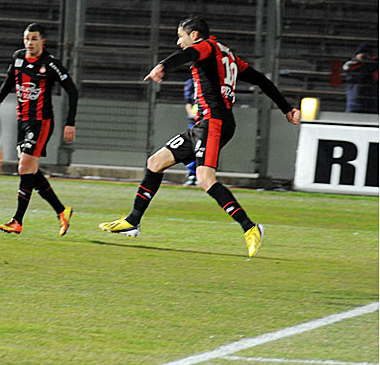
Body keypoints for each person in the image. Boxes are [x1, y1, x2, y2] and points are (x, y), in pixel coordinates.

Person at [99, 17, 300, 257]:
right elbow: (261, 80)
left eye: (181, 36)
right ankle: (132, 221)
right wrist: (286, 108)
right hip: (204, 125)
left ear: (194, 35)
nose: (178, 41)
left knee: (205, 179)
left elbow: (187, 55)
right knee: (156, 162)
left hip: (213, 123)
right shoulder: (228, 55)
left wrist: (162, 66)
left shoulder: (206, 46)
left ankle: (251, 227)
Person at [0, 23, 79, 236]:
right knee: (30, 169)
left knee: (24, 167)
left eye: (34, 39)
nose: (30, 43)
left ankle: (17, 221)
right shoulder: (18, 57)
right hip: (23, 120)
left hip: (41, 122)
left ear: (42, 41)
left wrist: (70, 122)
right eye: (27, 39)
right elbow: (10, 79)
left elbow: (72, 91)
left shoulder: (51, 64)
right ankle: (61, 211)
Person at [343, 42, 378, 114]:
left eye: (366, 54)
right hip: (355, 105)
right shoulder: (351, 65)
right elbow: (358, 72)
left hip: (371, 106)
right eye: (362, 54)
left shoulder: (374, 66)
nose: (364, 56)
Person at [182, 78, 197, 186]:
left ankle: (204, 176)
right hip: (195, 121)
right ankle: (192, 175)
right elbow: (187, 101)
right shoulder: (191, 82)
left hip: (209, 121)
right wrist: (192, 115)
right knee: (193, 147)